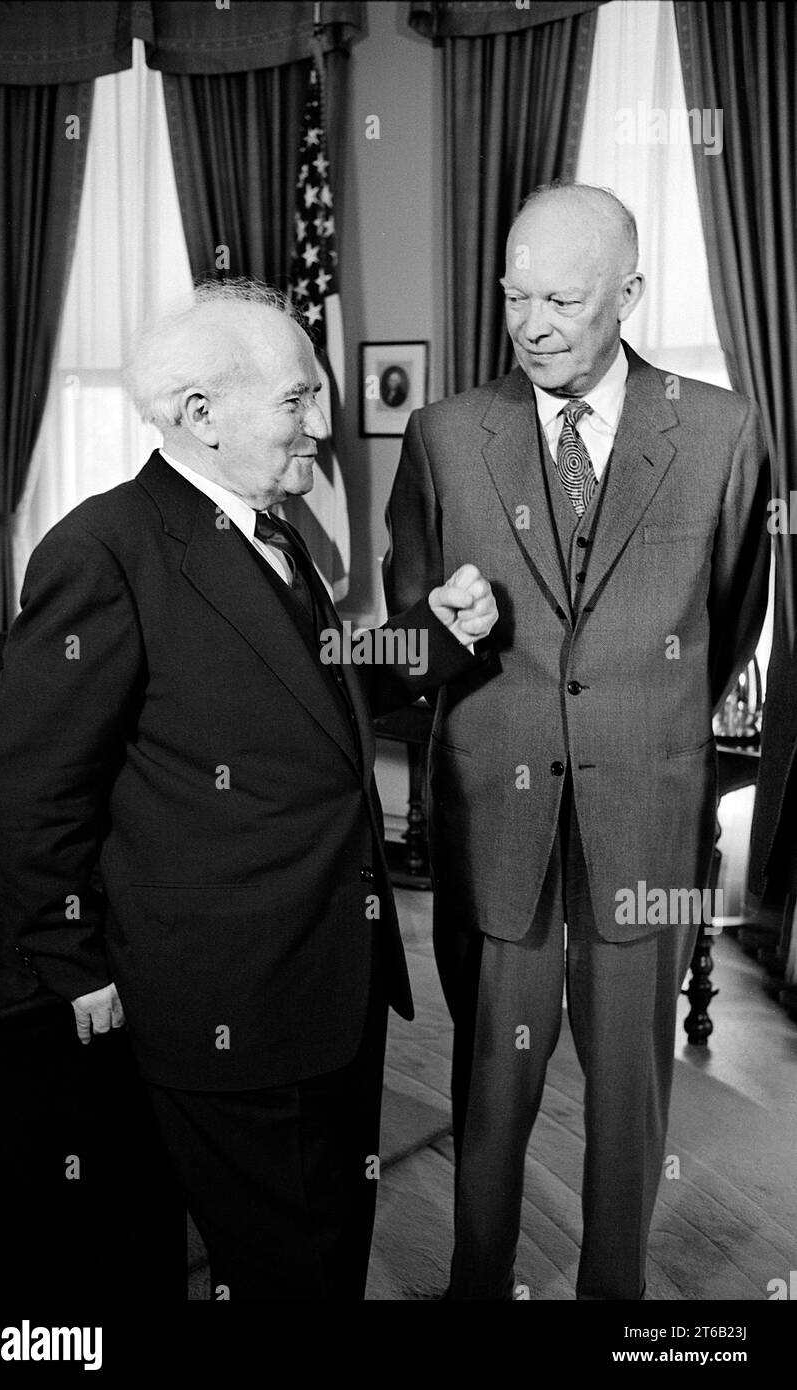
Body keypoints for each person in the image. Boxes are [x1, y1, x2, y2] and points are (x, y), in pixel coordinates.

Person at [0, 279, 498, 1302]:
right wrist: (79, 968)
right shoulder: (104, 548)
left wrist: (440, 632)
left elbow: (312, 686)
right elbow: (30, 787)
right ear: (201, 417)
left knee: (322, 1255)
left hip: (326, 986)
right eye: (299, 399)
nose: (325, 421)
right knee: (291, 1272)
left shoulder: (271, 525)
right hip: (225, 1006)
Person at [384, 182, 770, 1300]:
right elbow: (412, 635)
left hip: (645, 811)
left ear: (630, 294)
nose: (533, 322)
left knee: (629, 1088)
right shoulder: (446, 434)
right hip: (495, 813)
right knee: (490, 1086)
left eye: (561, 298)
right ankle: (477, 1285)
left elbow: (730, 622)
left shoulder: (722, 428)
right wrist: (437, 630)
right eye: (514, 296)